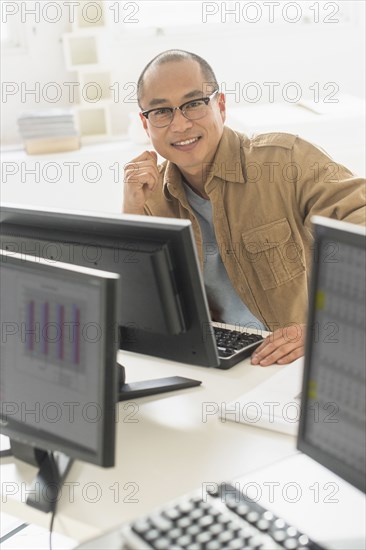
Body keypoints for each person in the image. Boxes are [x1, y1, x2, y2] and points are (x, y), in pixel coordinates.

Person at [122, 49, 365, 366]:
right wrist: (131, 212)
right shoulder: (149, 195)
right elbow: (140, 316)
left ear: (220, 106)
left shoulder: (285, 160)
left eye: (194, 104)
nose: (179, 125)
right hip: (217, 361)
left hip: (297, 360)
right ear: (146, 124)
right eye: (161, 111)